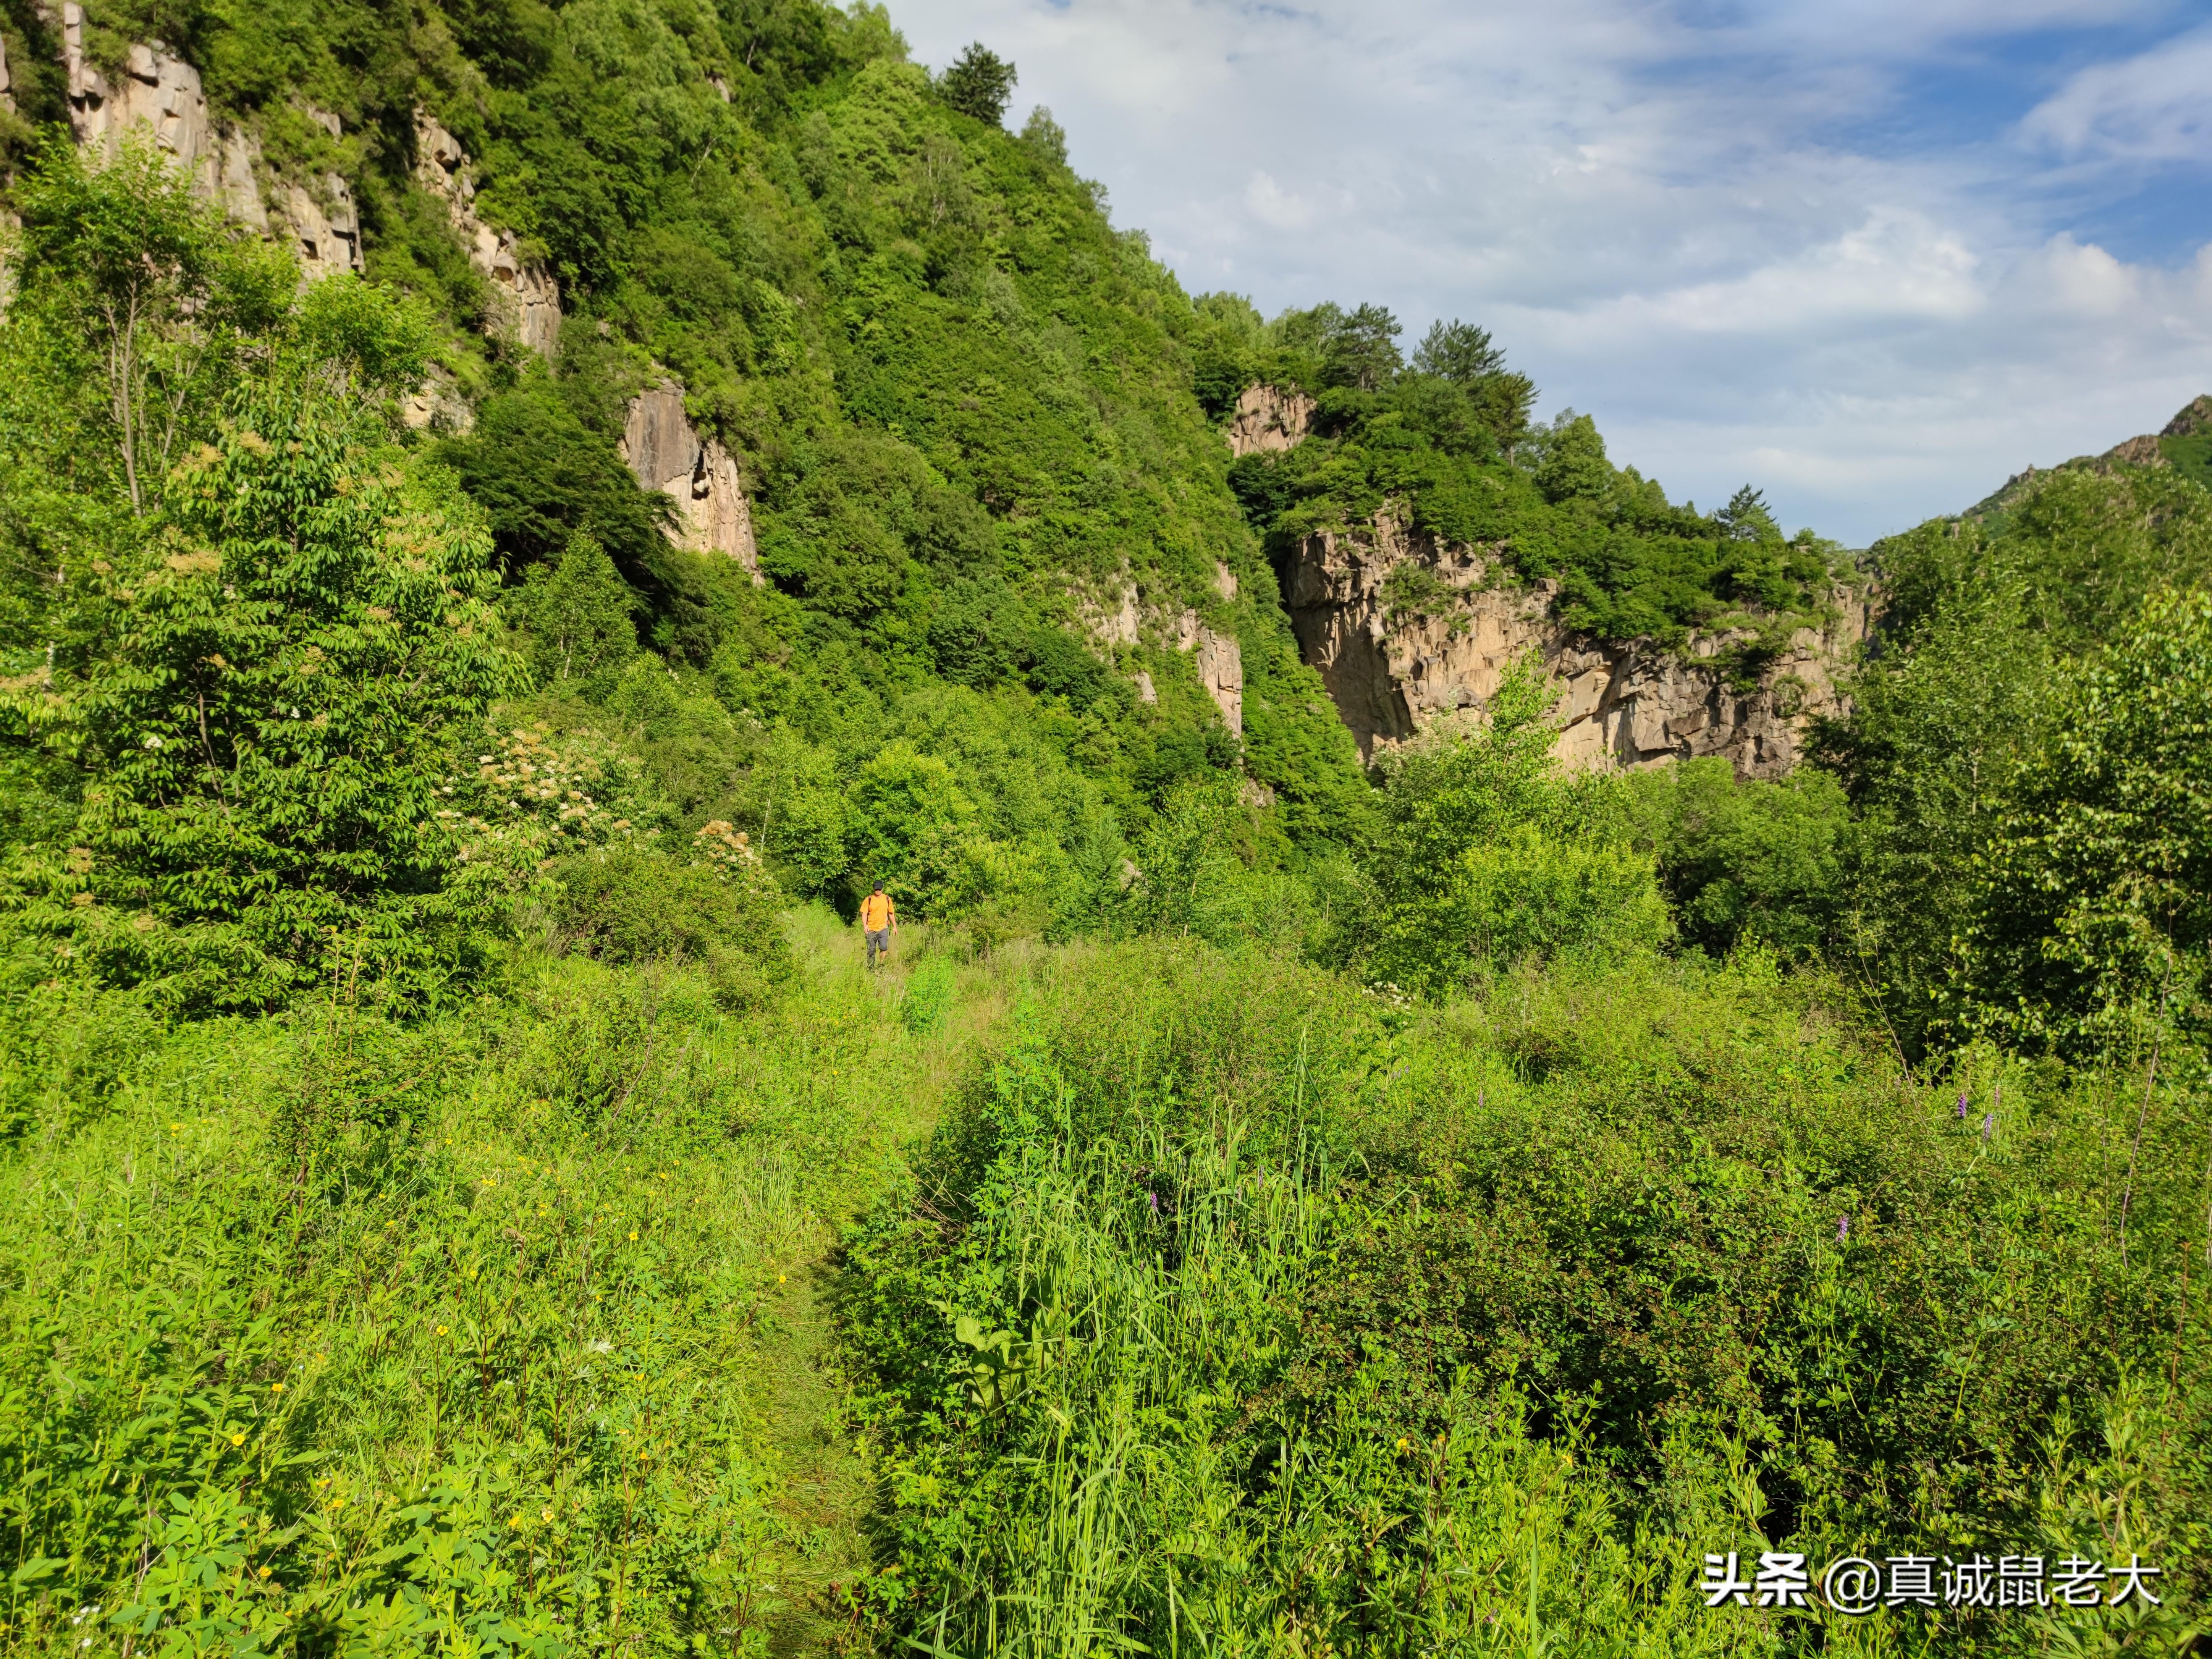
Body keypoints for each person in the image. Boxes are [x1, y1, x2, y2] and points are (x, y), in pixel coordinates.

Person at [860, 881, 897, 969]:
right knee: (871, 950)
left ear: (883, 889)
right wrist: (865, 926)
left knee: (884, 947)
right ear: (873, 888)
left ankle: (881, 964)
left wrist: (895, 926)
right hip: (871, 929)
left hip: (883, 928)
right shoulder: (869, 899)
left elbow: (891, 913)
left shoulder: (887, 899)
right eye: (876, 888)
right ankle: (871, 969)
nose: (878, 890)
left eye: (879, 889)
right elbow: (864, 914)